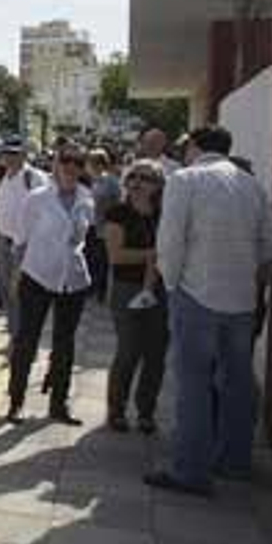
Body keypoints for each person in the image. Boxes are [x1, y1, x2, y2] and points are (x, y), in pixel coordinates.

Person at [146, 125, 272, 496]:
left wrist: (172, 284)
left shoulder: (185, 180)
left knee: (193, 385)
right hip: (241, 301)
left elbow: (170, 241)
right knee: (237, 383)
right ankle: (235, 462)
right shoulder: (250, 185)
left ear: (193, 147)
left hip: (195, 294)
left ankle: (190, 470)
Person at [6, 144, 93, 425]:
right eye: (64, 162)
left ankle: (59, 402)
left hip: (72, 278)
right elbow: (21, 240)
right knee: (26, 340)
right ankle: (16, 401)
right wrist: (16, 275)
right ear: (55, 165)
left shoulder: (86, 198)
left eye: (76, 163)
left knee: (65, 344)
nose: (70, 168)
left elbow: (82, 239)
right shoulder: (37, 198)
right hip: (37, 275)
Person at [103, 160, 167, 434]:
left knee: (155, 354)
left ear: (158, 185)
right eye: (134, 177)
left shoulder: (165, 214)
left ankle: (146, 412)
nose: (139, 182)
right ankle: (116, 410)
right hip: (126, 288)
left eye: (147, 178)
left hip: (160, 290)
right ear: (126, 182)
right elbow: (116, 256)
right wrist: (152, 255)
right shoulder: (118, 213)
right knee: (128, 351)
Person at [0, 142, 48, 338]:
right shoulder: (5, 177)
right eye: (6, 153)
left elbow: (44, 210)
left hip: (25, 244)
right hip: (4, 239)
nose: (9, 157)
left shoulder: (33, 177)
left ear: (24, 155)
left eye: (14, 153)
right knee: (6, 289)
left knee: (21, 291)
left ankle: (24, 334)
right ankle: (14, 331)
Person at [85, 149, 120, 303]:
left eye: (91, 163)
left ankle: (101, 291)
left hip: (104, 227)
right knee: (92, 258)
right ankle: (93, 288)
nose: (88, 166)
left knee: (102, 261)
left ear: (99, 164)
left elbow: (115, 204)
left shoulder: (110, 181)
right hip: (92, 225)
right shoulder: (94, 180)